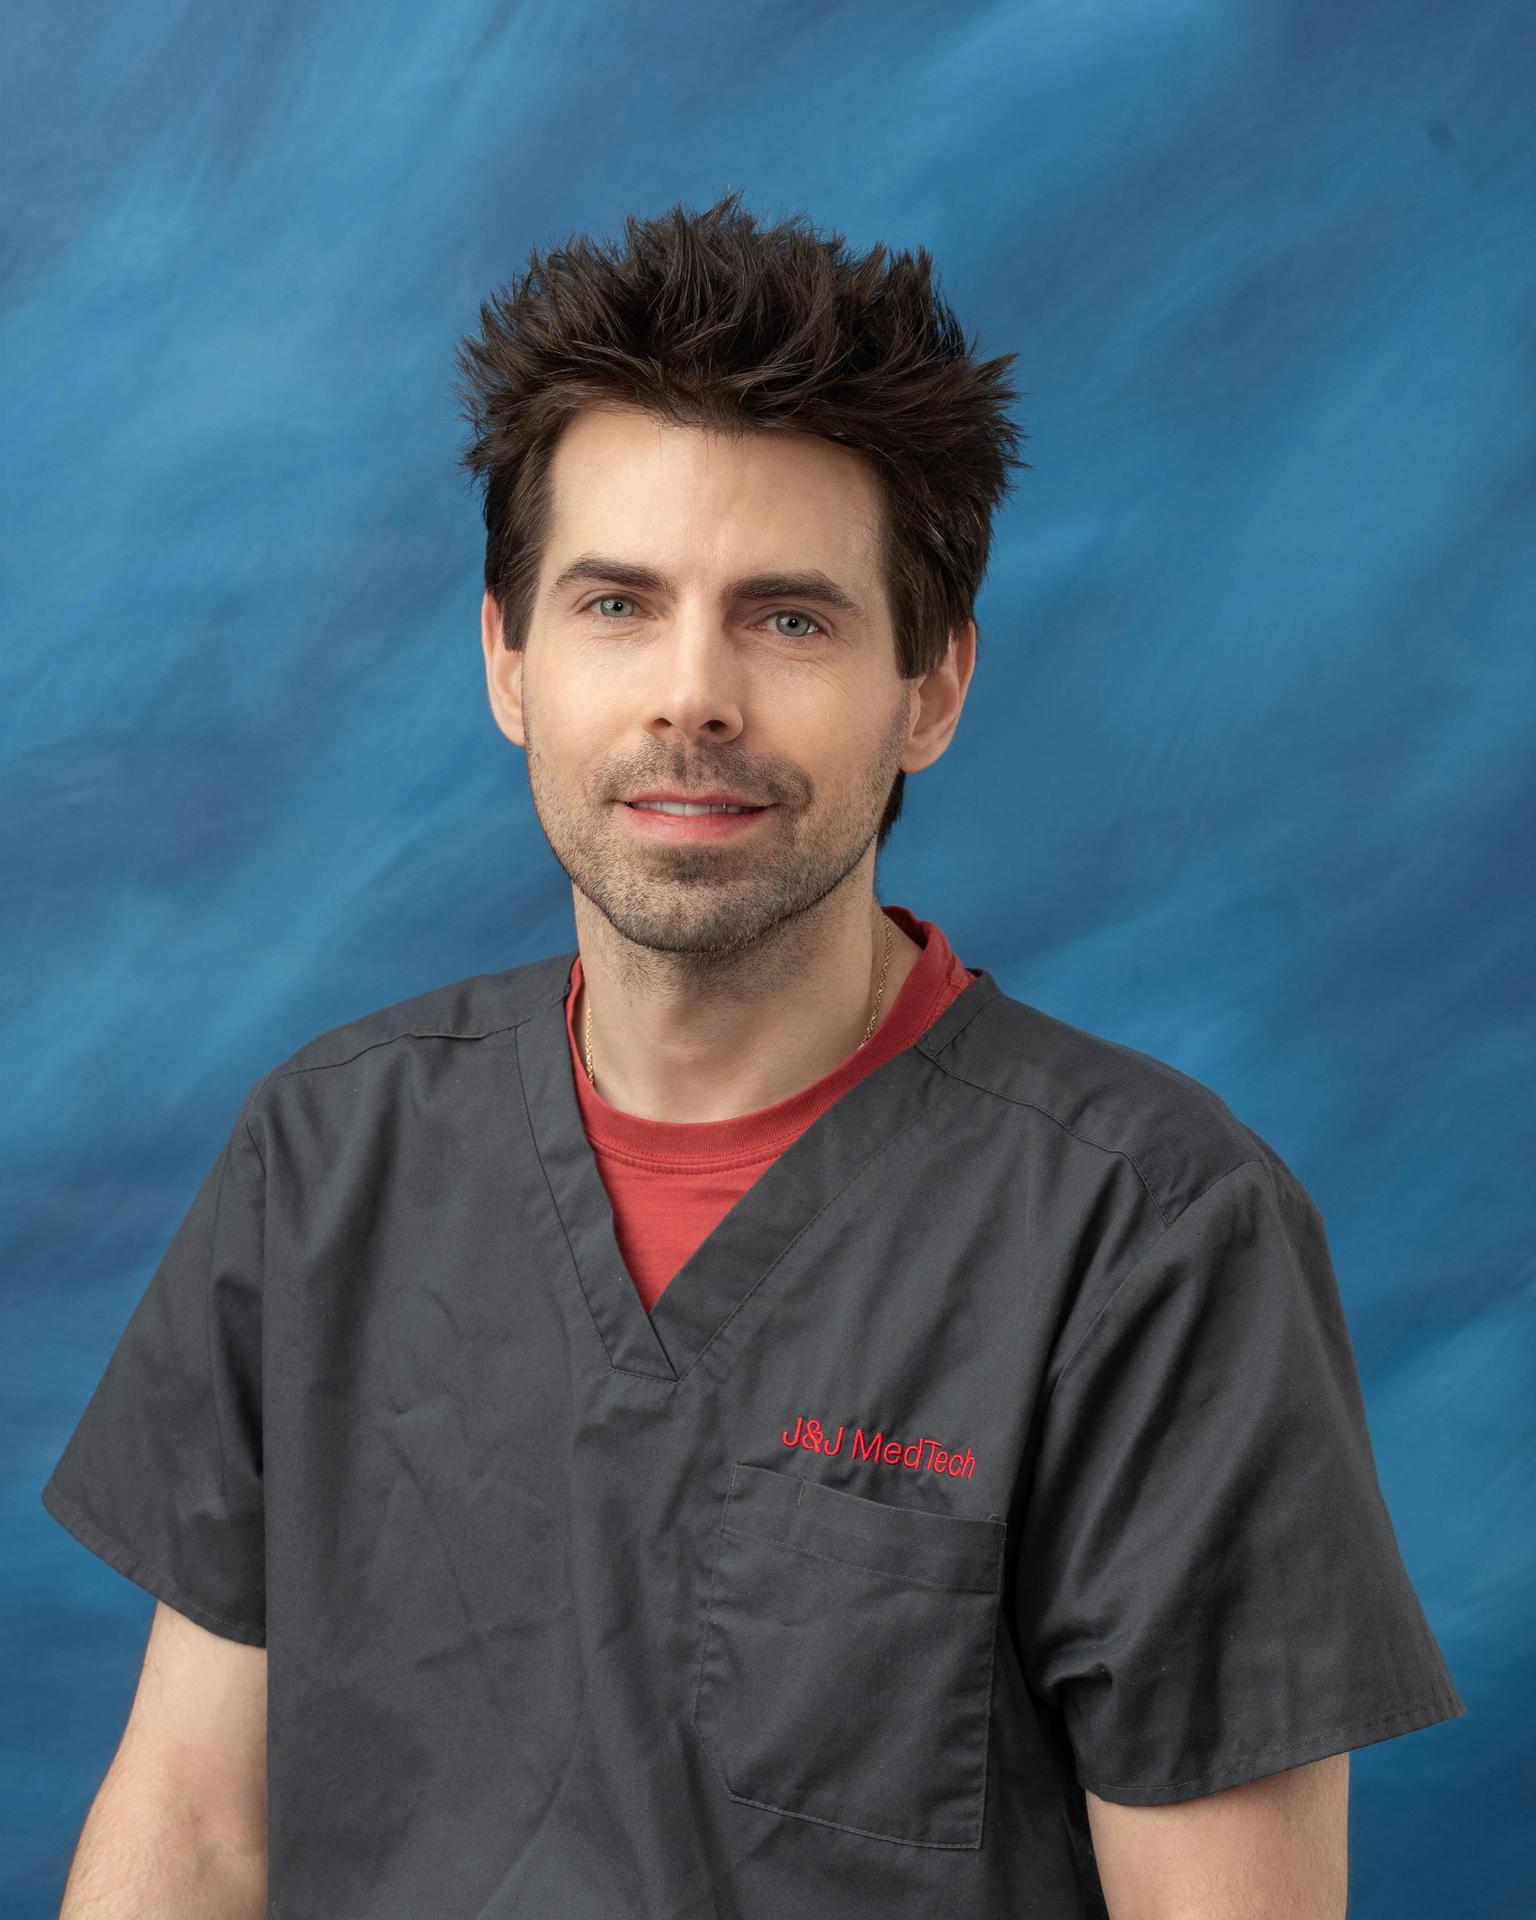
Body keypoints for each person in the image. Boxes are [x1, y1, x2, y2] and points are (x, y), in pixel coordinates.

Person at [41, 190, 1464, 1919]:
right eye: (618, 604)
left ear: (930, 688)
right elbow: (194, 1833)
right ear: (509, 660)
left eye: (788, 618)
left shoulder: (1152, 1236)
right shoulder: (327, 1160)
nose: (693, 697)